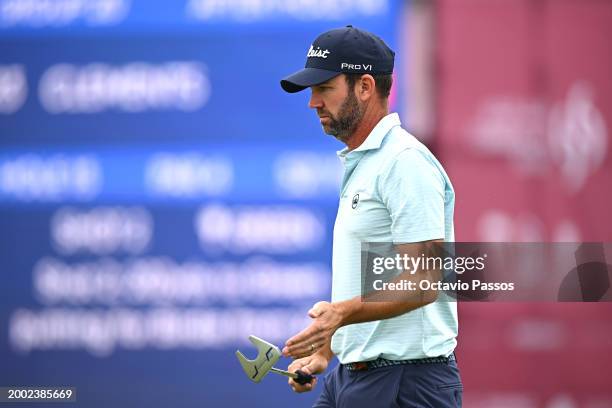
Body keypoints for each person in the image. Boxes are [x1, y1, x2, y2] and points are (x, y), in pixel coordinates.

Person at [279, 25, 462, 407]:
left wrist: (341, 312)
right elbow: (382, 275)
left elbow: (425, 278)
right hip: (354, 375)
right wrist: (325, 352)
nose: (313, 102)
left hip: (406, 382)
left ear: (364, 86)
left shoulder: (404, 163)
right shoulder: (367, 161)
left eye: (324, 89)